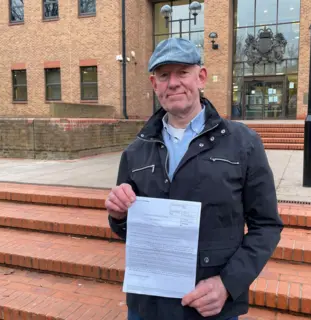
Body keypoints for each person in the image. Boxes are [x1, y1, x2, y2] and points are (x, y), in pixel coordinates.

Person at [105, 37, 284, 320]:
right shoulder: (136, 151)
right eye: (164, 75)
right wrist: (119, 216)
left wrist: (227, 284)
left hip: (209, 308)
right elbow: (131, 231)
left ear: (201, 77)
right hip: (147, 307)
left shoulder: (243, 144)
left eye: (182, 72)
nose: (173, 83)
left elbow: (267, 225)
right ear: (155, 85)